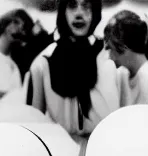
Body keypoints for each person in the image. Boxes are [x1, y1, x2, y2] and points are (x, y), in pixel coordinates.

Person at [26, 0, 119, 142]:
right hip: (63, 152)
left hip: (106, 148)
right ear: (63, 12)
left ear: (95, 12)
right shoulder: (43, 62)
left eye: (86, 6)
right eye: (72, 6)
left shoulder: (111, 57)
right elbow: (34, 123)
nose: (79, 13)